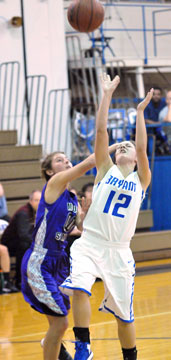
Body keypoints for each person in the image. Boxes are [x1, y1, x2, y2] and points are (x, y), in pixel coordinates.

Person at [60, 73, 152, 360]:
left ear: (136, 158)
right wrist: (107, 94)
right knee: (79, 287)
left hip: (118, 252)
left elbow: (142, 146)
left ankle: (130, 357)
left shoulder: (142, 179)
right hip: (91, 242)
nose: (124, 146)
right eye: (120, 145)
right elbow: (101, 132)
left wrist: (139, 112)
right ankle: (83, 345)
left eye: (130, 147)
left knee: (124, 317)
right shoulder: (105, 169)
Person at [20, 146, 117, 360]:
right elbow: (89, 163)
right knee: (61, 321)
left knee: (58, 321)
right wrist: (111, 148)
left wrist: (86, 212)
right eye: (59, 160)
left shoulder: (71, 198)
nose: (66, 161)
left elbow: (80, 229)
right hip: (40, 260)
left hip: (59, 261)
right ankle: (53, 345)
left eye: (67, 159)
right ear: (49, 171)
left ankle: (53, 346)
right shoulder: (53, 185)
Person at [1, 190, 41, 289]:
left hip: (21, 242)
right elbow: (23, 235)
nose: (39, 203)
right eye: (36, 200)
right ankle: (20, 280)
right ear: (30, 201)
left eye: (41, 200)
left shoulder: (39, 212)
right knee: (25, 246)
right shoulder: (23, 213)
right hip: (9, 244)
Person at [144, 85, 169, 154]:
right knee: (151, 135)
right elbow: (145, 120)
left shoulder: (164, 103)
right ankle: (151, 154)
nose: (156, 96)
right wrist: (158, 123)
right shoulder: (146, 104)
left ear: (161, 95)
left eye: (158, 94)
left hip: (161, 128)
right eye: (154, 94)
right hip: (149, 130)